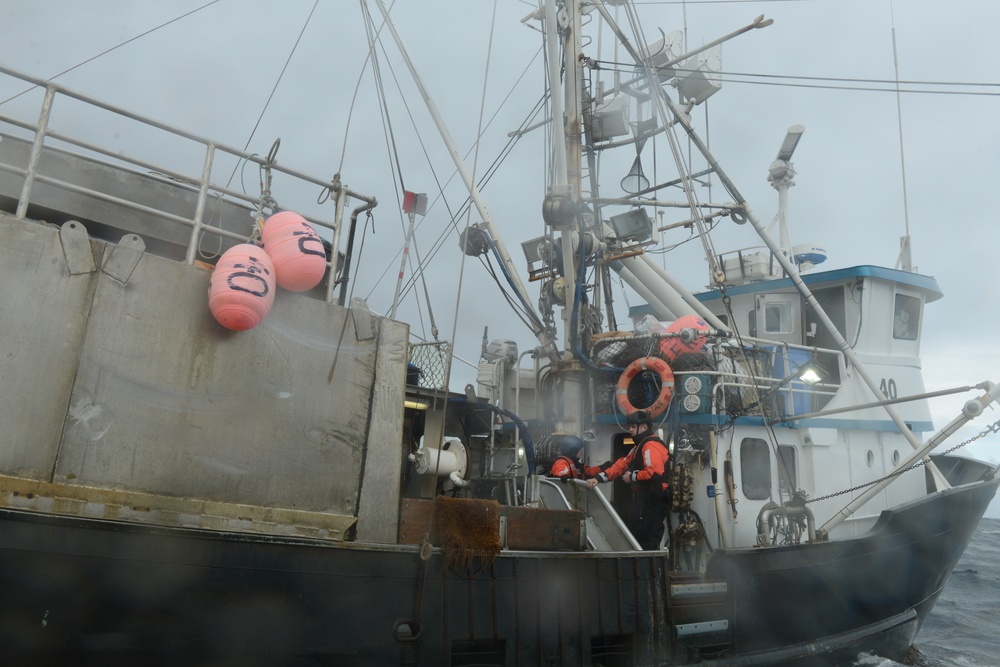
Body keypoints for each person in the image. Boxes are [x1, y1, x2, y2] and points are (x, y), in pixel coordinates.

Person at [586, 410, 670, 550]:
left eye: (632, 426)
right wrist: (599, 478)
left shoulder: (651, 446)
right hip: (643, 502)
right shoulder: (639, 446)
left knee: (647, 541)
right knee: (636, 536)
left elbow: (654, 473)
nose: (629, 430)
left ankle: (649, 570)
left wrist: (632, 476)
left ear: (643, 427)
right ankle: (639, 569)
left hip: (652, 503)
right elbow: (621, 464)